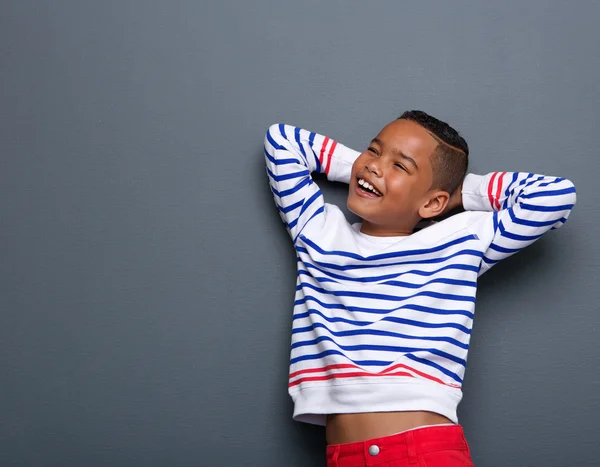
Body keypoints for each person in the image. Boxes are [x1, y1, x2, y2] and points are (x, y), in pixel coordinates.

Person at [263, 111, 576, 467]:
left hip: (422, 453)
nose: (375, 167)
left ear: (432, 203)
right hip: (342, 457)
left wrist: (455, 193)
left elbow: (554, 196)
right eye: (374, 150)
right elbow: (281, 141)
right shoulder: (318, 230)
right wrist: (364, 167)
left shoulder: (459, 240)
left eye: (401, 166)